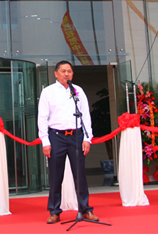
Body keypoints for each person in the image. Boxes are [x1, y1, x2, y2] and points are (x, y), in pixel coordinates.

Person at [38, 61, 98, 224]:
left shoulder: (78, 90)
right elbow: (42, 117)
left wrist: (87, 138)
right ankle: (54, 211)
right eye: (63, 71)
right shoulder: (48, 92)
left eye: (69, 71)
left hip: (76, 136)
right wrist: (45, 141)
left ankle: (85, 209)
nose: (66, 74)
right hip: (56, 136)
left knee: (80, 174)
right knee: (55, 175)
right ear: (56, 73)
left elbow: (85, 115)